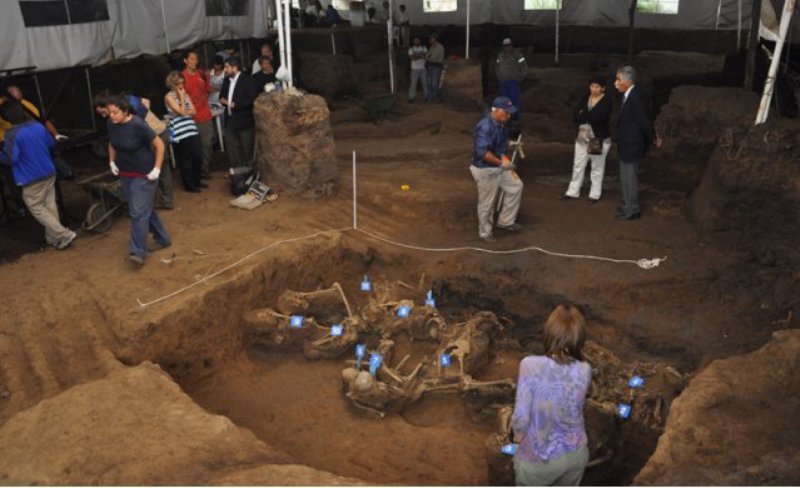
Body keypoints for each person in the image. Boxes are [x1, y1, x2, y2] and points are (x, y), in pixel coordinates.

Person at [511, 304, 592, 486]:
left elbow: (521, 417)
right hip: (577, 454)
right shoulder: (585, 369)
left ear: (549, 332)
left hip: (540, 458)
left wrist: (517, 440)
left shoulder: (530, 364)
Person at [0, 102, 76, 249]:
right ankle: (54, 239)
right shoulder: (38, 126)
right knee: (50, 205)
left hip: (30, 176)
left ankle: (64, 234)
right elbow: (50, 143)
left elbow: (10, 159)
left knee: (36, 207)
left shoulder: (11, 134)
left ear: (6, 117)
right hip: (48, 170)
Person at [106, 95, 171, 265]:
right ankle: (162, 238)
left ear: (125, 111)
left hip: (144, 175)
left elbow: (160, 145)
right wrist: (112, 161)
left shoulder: (138, 125)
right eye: (110, 112)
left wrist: (157, 168)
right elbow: (112, 143)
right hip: (126, 174)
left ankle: (137, 251)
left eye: (115, 112)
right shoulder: (111, 124)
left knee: (137, 212)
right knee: (143, 208)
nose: (111, 116)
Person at [94, 90, 174, 210]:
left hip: (157, 135)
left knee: (156, 169)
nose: (104, 116)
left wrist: (146, 120)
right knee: (160, 168)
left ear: (108, 105)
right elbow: (146, 101)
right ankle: (160, 201)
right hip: (156, 133)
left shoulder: (133, 119)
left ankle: (152, 203)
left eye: (104, 112)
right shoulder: (125, 99)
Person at [470, 96, 524, 243]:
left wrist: (510, 144)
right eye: (506, 112)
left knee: (516, 186)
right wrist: (501, 163)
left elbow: (499, 141)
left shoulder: (500, 123)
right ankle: (485, 233)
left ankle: (506, 221)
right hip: (485, 170)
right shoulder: (485, 126)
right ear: (496, 110)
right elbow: (483, 153)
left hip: (499, 165)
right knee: (487, 203)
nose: (509, 115)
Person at [614, 66, 661, 220]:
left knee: (629, 178)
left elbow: (644, 121)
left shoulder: (635, 97)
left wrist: (652, 138)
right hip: (627, 144)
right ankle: (627, 206)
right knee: (625, 178)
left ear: (627, 81)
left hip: (632, 145)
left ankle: (632, 210)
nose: (615, 83)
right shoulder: (629, 95)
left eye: (618, 80)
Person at [562, 74, 613, 204]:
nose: (594, 89)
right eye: (592, 86)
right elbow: (575, 116)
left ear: (603, 88)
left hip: (597, 138)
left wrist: (584, 114)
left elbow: (598, 118)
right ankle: (572, 191)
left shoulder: (607, 100)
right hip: (582, 135)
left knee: (596, 166)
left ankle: (594, 194)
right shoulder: (585, 97)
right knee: (578, 164)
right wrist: (586, 115)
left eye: (597, 87)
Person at [164, 71, 204, 193]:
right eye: (178, 84)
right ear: (172, 84)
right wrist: (182, 99)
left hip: (191, 128)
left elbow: (193, 111)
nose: (181, 86)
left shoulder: (185, 94)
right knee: (185, 159)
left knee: (197, 156)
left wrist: (183, 110)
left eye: (182, 83)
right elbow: (181, 112)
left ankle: (197, 181)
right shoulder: (169, 97)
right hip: (179, 131)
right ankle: (189, 184)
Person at [220, 56, 258, 169]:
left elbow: (252, 98)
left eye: (227, 67)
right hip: (230, 119)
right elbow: (222, 96)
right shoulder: (226, 80)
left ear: (235, 67)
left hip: (244, 120)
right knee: (231, 146)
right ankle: (236, 169)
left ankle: (248, 170)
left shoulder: (247, 80)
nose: (225, 70)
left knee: (246, 147)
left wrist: (234, 105)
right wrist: (224, 101)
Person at [182, 49, 214, 179]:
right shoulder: (182, 77)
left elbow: (208, 89)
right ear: (185, 60)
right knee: (194, 147)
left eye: (196, 59)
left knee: (207, 144)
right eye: (191, 59)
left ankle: (204, 170)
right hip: (190, 117)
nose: (194, 61)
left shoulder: (201, 74)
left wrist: (203, 100)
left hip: (205, 114)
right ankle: (196, 172)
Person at [495, 38, 528, 121]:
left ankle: (515, 118)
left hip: (512, 82)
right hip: (502, 82)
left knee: (514, 100)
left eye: (508, 45)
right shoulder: (500, 55)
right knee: (504, 101)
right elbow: (497, 66)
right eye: (505, 46)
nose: (506, 47)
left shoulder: (517, 55)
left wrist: (519, 78)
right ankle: (505, 118)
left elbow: (524, 67)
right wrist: (499, 76)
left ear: (511, 45)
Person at [425, 33, 445, 103]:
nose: (430, 39)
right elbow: (427, 56)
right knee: (429, 83)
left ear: (435, 39)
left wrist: (428, 57)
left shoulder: (440, 47)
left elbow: (433, 57)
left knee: (434, 83)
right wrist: (428, 57)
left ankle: (433, 97)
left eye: (431, 38)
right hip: (430, 66)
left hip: (436, 66)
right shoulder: (431, 47)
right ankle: (431, 97)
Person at [407, 36, 428, 102]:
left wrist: (416, 56)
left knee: (425, 83)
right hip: (414, 69)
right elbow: (412, 58)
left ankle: (427, 96)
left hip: (423, 68)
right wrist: (421, 56)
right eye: (415, 40)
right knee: (413, 84)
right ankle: (411, 97)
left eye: (417, 40)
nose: (416, 41)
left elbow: (426, 56)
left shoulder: (424, 48)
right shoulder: (411, 49)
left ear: (419, 41)